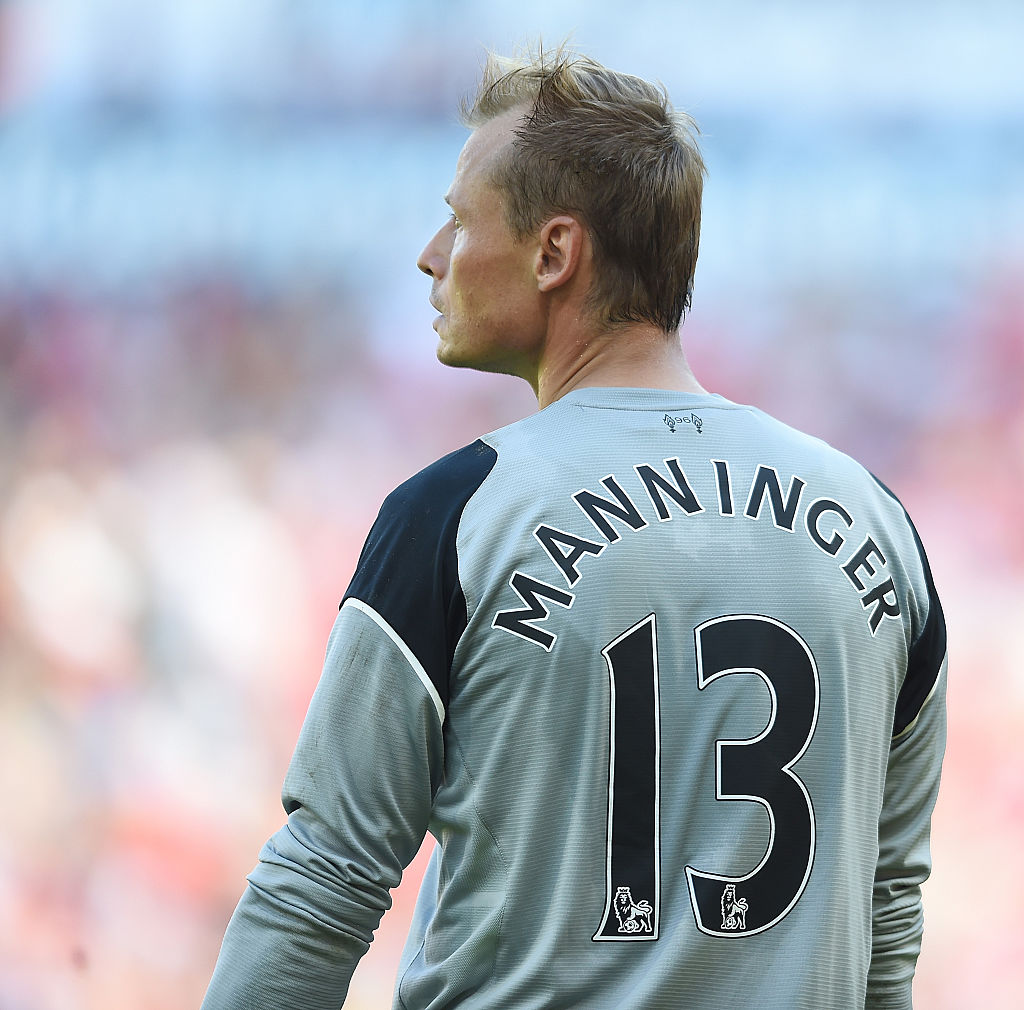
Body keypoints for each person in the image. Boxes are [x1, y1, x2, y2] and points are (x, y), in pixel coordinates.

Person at [202, 45, 946, 1010]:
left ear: (555, 254)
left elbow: (324, 879)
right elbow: (885, 910)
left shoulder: (458, 513)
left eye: (459, 220)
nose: (432, 255)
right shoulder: (877, 523)